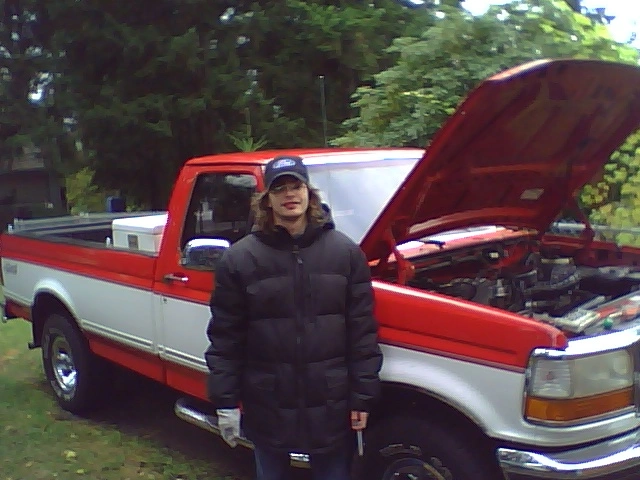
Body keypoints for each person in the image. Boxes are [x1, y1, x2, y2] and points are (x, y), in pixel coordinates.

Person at [204, 155, 383, 480]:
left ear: (309, 193)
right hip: (267, 402)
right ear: (267, 200)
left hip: (331, 404)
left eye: (296, 186)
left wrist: (362, 397)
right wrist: (226, 402)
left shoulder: (345, 254)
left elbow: (362, 333)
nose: (290, 195)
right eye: (280, 189)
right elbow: (225, 338)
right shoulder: (240, 260)